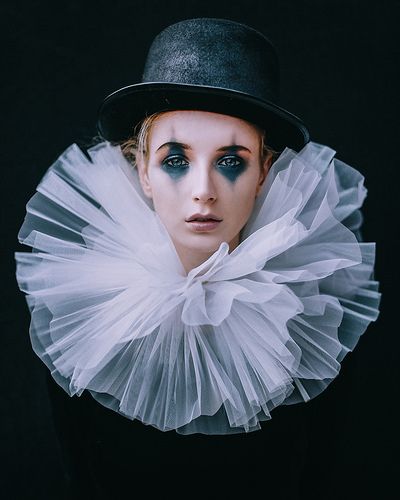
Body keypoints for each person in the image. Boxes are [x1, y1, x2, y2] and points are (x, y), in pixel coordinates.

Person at [15, 18, 381, 498]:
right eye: (174, 160)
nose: (203, 191)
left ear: (265, 172)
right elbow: (79, 473)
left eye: (231, 161)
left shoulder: (315, 311)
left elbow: (318, 471)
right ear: (142, 170)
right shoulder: (85, 310)